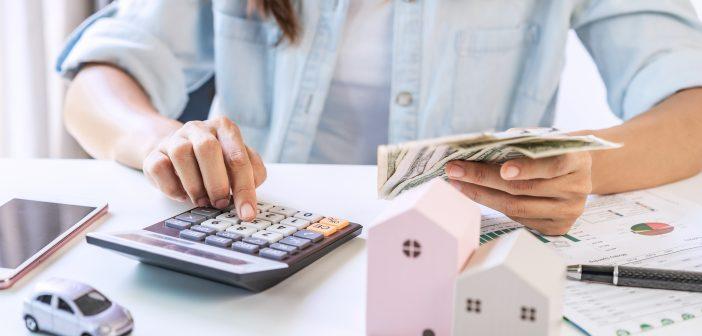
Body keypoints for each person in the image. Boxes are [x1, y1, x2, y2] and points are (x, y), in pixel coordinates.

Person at [59, 0, 702, 235]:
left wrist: (581, 167)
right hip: (260, 247)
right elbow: (100, 77)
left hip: (460, 259)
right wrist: (161, 139)